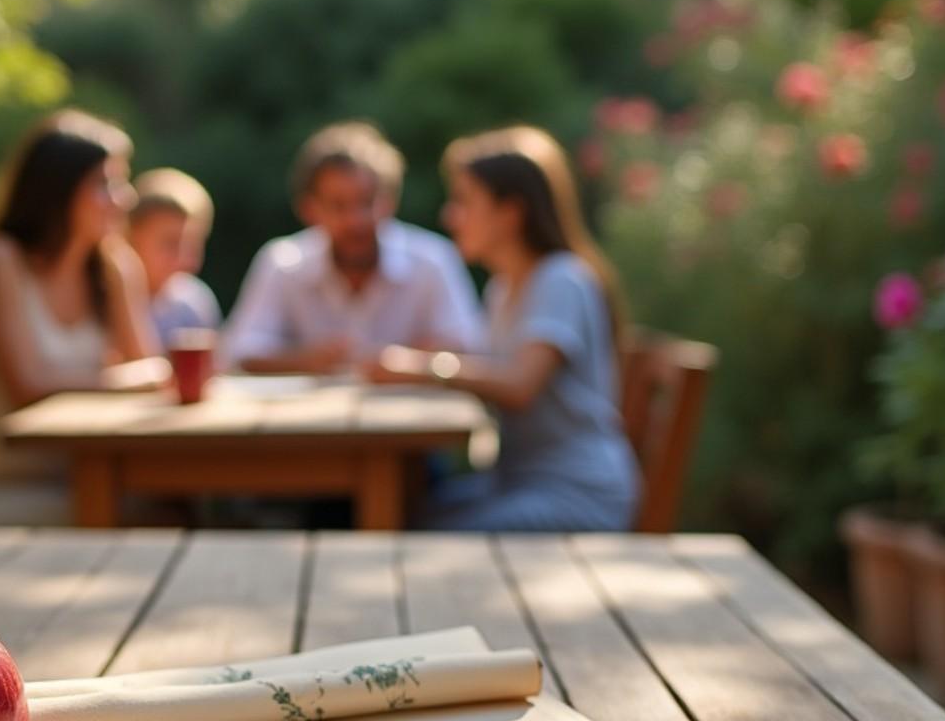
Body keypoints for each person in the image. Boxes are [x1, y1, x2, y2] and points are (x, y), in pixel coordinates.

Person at [366, 126, 639, 531]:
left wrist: (421, 366)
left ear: (511, 213)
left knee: (413, 538)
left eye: (463, 201)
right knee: (397, 517)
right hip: (515, 482)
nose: (449, 215)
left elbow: (518, 386)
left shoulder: (560, 279)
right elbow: (485, 368)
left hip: (575, 493)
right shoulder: (504, 286)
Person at [0, 110, 167, 532]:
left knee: (177, 508)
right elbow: (29, 386)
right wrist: (129, 379)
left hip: (78, 481)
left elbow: (152, 380)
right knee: (159, 520)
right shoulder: (0, 260)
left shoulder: (113, 267)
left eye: (122, 181)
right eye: (104, 184)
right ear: (56, 190)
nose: (124, 199)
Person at [222, 121, 485, 373]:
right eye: (338, 205)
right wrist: (306, 360)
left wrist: (404, 363)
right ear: (308, 209)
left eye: (366, 202)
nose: (355, 220)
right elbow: (240, 351)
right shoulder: (282, 261)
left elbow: (467, 347)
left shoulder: (432, 259)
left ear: (390, 201)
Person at [126, 168, 221, 346]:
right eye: (170, 243)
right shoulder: (105, 303)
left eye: (193, 243)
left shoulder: (195, 301)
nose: (184, 258)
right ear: (132, 237)